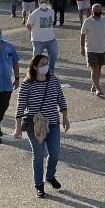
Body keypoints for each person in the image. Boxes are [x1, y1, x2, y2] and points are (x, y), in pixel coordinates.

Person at [14, 54, 70, 197]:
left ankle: (50, 176)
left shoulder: (53, 81)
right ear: (34, 67)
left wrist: (65, 117)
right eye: (42, 64)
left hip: (53, 123)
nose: (45, 66)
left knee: (55, 152)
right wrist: (18, 127)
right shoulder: (27, 84)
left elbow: (61, 99)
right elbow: (20, 106)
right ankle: (39, 185)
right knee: (38, 156)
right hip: (35, 125)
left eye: (47, 63)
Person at [80, 3, 105, 95]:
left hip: (102, 49)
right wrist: (82, 48)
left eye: (99, 11)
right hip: (91, 49)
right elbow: (82, 35)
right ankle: (98, 88)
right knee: (95, 68)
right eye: (96, 11)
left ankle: (94, 85)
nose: (98, 13)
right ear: (92, 12)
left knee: (99, 69)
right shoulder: (87, 21)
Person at [26, 0, 59, 68]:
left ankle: (50, 70)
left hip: (50, 39)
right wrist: (34, 33)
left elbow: (51, 23)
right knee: (36, 58)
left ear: (47, 2)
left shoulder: (51, 11)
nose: (43, 3)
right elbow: (28, 25)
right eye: (41, 2)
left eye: (44, 2)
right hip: (38, 40)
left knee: (54, 54)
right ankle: (34, 72)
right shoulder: (34, 14)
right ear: (38, 3)